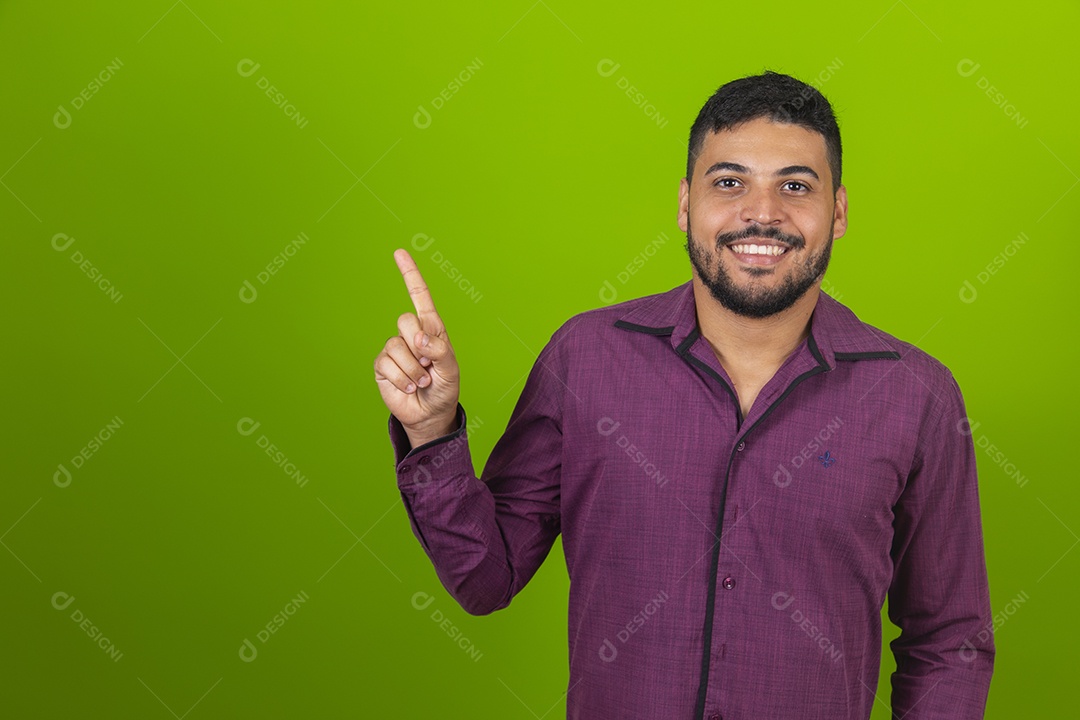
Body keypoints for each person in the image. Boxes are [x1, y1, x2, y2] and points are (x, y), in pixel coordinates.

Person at [374, 71, 994, 719]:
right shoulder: (585, 358)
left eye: (795, 186)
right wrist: (431, 431)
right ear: (683, 205)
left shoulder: (915, 394)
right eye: (729, 183)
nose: (762, 212)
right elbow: (485, 577)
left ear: (837, 212)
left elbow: (949, 641)